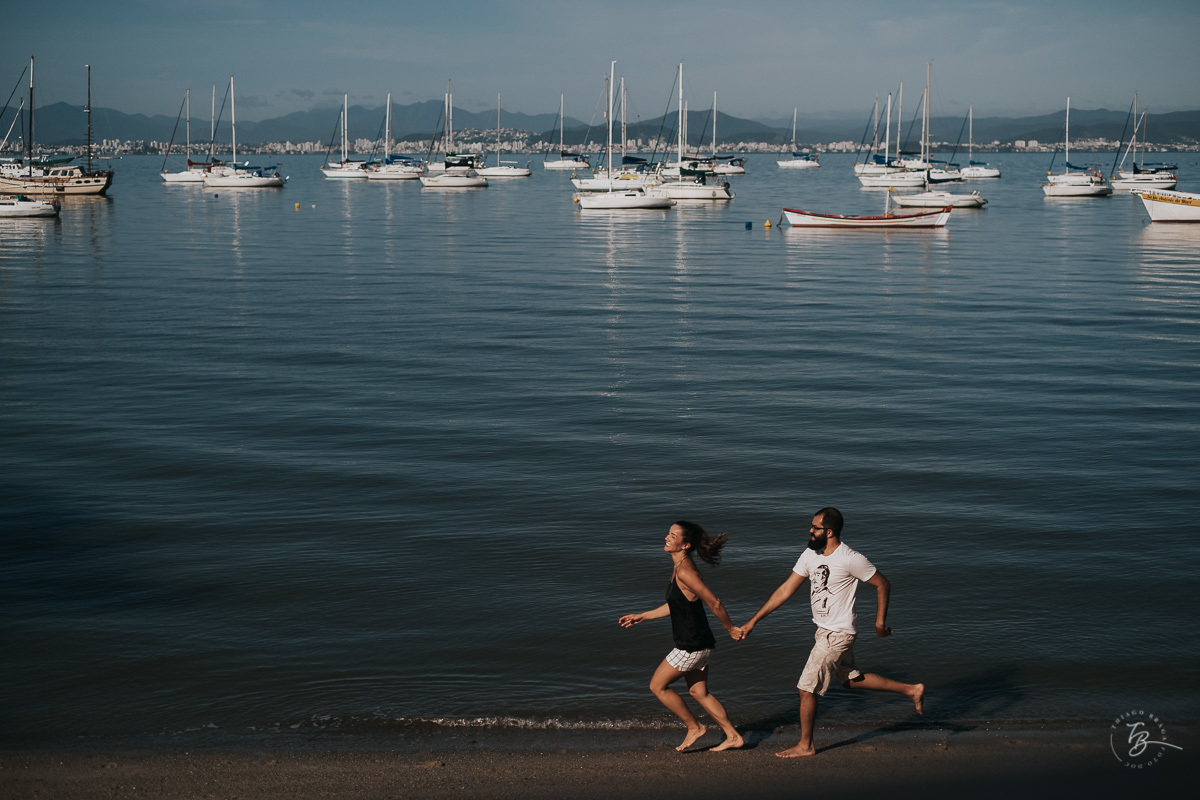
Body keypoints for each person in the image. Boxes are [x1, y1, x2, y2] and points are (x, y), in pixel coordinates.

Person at [737, 507, 924, 757]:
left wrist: (879, 624)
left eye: (815, 528)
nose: (810, 531)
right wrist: (754, 621)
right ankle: (911, 690)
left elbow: (882, 583)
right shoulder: (810, 554)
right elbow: (785, 590)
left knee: (806, 688)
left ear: (830, 531)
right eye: (811, 526)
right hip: (823, 631)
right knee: (849, 680)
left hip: (838, 634)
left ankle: (806, 745)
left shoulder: (849, 558)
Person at [619, 520, 745, 752]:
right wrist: (643, 615)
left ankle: (694, 727)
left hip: (691, 645)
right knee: (699, 692)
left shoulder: (686, 571)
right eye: (668, 533)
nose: (667, 537)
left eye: (673, 535)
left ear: (685, 545)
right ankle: (733, 736)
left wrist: (730, 628)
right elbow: (676, 605)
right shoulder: (680, 568)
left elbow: (714, 601)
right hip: (702, 642)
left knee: (657, 686)